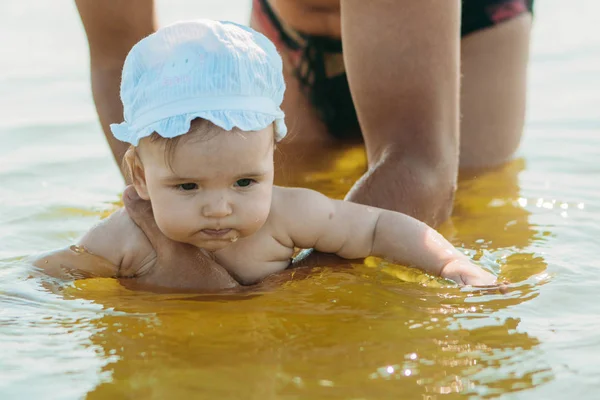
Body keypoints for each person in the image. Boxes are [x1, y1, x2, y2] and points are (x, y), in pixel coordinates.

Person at [32, 20, 497, 292]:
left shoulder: (287, 215)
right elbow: (46, 276)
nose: (219, 206)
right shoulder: (125, 237)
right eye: (187, 186)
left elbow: (377, 227)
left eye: (245, 182)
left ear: (272, 159)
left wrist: (449, 263)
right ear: (138, 175)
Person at [75, 0, 534, 228]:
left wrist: (292, 287)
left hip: (465, 31)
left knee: (471, 214)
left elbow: (420, 163)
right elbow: (119, 57)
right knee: (252, 197)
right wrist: (158, 214)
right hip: (289, 30)